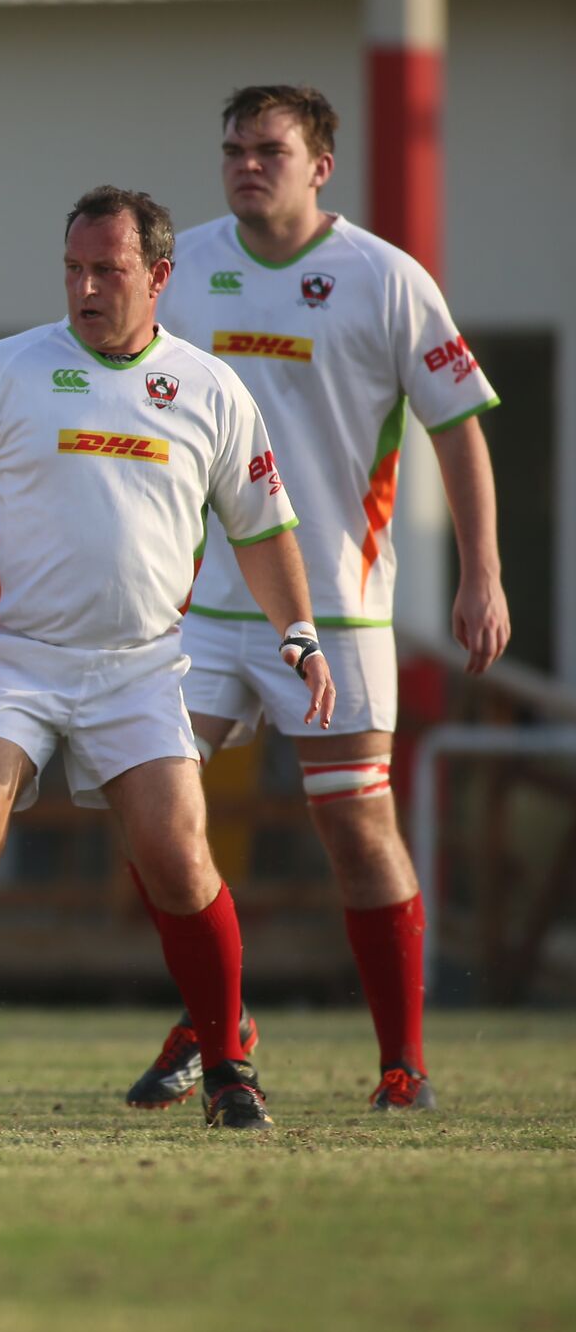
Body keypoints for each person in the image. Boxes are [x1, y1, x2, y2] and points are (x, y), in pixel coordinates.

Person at [0, 186, 336, 1132]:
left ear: (158, 276)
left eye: (107, 270)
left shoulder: (212, 388)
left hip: (142, 666)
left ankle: (230, 1068)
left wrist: (301, 633)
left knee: (175, 855)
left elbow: (265, 526)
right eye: (73, 268)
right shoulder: (7, 370)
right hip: (11, 656)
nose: (85, 286)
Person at [133, 84, 507, 1113]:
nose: (247, 164)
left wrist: (483, 571)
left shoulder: (384, 279)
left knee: (356, 830)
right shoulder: (184, 267)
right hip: (201, 606)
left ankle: (402, 1063)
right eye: (233, 150)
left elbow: (459, 427)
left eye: (269, 149)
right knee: (154, 818)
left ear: (319, 164)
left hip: (337, 609)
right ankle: (224, 1023)